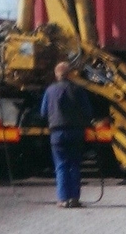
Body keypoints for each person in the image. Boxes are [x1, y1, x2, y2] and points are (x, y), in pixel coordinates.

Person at [40, 61, 93, 208]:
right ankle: (74, 199)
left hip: (57, 133)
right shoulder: (78, 90)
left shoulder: (50, 91)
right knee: (74, 165)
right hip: (75, 132)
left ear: (57, 75)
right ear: (70, 74)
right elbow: (88, 111)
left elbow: (43, 112)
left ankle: (63, 199)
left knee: (61, 165)